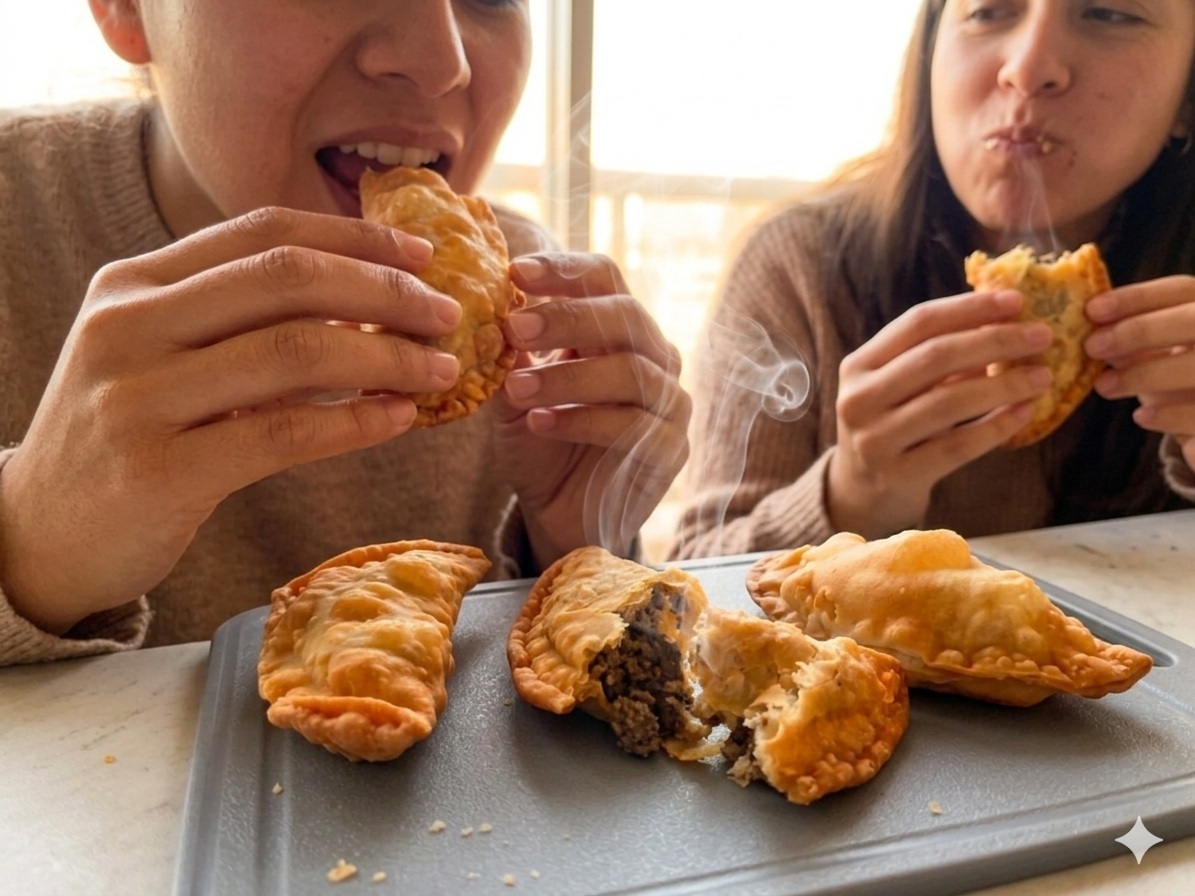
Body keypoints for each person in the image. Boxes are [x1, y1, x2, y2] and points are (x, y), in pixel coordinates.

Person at [0, 0, 690, 664]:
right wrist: (27, 550)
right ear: (125, 7)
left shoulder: (526, 305)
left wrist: (575, 549)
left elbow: (511, 709)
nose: (440, 61)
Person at [672, 0, 1195, 560]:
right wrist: (851, 496)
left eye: (1110, 14)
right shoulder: (803, 263)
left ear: (1188, 98)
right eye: (989, 10)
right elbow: (693, 578)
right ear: (928, 55)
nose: (1027, 68)